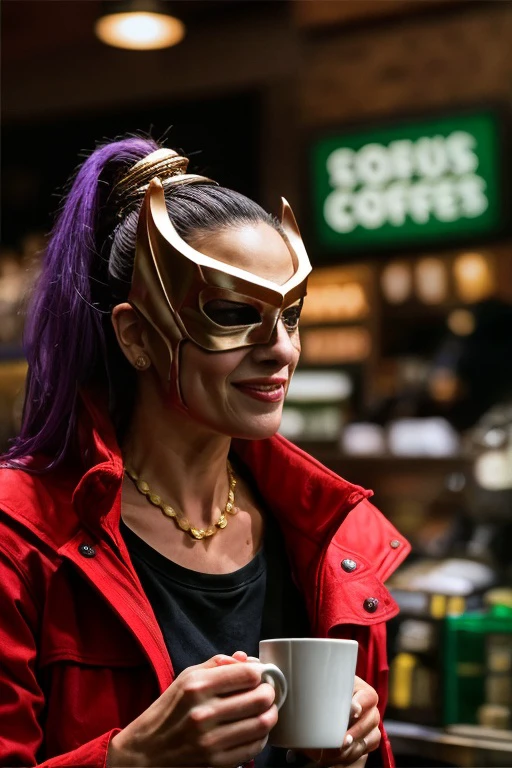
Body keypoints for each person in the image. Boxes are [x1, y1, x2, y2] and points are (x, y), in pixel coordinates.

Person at [0, 137, 410, 768]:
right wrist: (128, 760)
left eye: (292, 316)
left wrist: (358, 753)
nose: (282, 350)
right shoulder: (20, 539)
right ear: (136, 336)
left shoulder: (337, 541)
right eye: (232, 312)